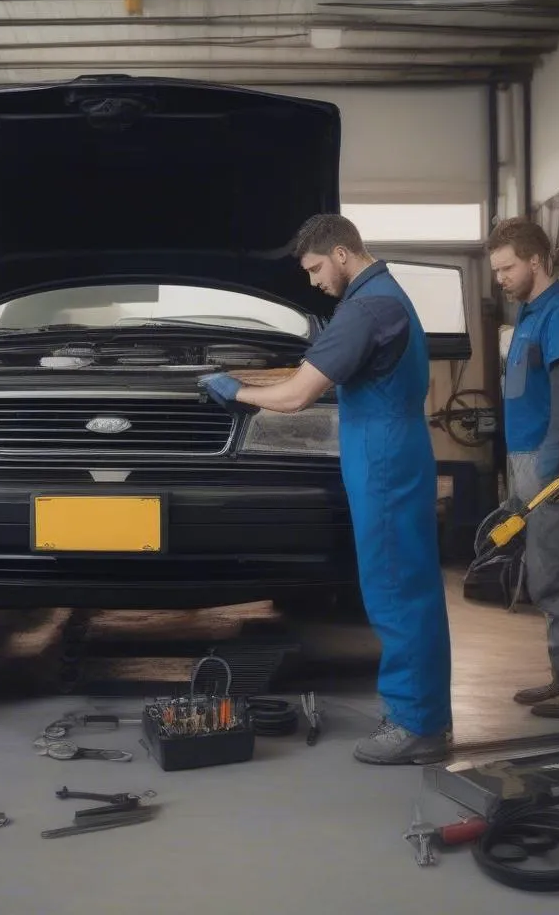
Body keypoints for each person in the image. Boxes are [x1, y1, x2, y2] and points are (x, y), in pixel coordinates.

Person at [199, 214, 452, 764]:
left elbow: (296, 396)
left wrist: (236, 391)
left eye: (315, 268)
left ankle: (417, 725)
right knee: (406, 587)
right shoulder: (385, 297)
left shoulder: (365, 308)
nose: (312, 281)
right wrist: (255, 382)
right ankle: (419, 713)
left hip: (383, 463)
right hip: (392, 452)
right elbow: (307, 373)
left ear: (341, 254)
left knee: (395, 593)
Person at [487, 216, 559, 717]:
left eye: (508, 268)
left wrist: (556, 463)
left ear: (537, 261)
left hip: (548, 460)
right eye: (496, 271)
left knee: (556, 575)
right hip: (525, 459)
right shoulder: (530, 317)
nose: (501, 278)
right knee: (540, 572)